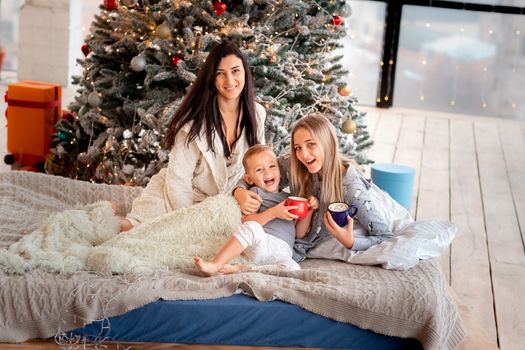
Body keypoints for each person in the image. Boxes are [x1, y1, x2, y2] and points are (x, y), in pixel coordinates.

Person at [120, 40, 266, 231]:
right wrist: (188, 226)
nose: (230, 81)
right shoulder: (193, 123)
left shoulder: (257, 114)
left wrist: (240, 193)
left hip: (224, 204)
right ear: (212, 79)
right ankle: (99, 221)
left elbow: (258, 167)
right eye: (220, 73)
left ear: (245, 72)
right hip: (174, 197)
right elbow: (178, 181)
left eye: (235, 71)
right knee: (133, 230)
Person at [234, 113, 393, 262]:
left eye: (311, 144)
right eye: (298, 147)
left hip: (300, 244)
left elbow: (385, 236)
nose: (303, 155)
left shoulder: (352, 189)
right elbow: (256, 173)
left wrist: (351, 242)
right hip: (285, 243)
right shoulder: (293, 164)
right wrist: (239, 192)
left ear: (328, 143)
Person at [194, 144, 319, 276]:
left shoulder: (289, 198)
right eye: (259, 170)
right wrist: (274, 212)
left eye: (272, 166)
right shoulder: (256, 193)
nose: (268, 172)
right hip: (261, 242)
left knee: (294, 268)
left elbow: (299, 233)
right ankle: (215, 264)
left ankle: (245, 269)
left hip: (282, 251)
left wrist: (309, 210)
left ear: (280, 173)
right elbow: (246, 221)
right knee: (252, 227)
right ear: (249, 179)